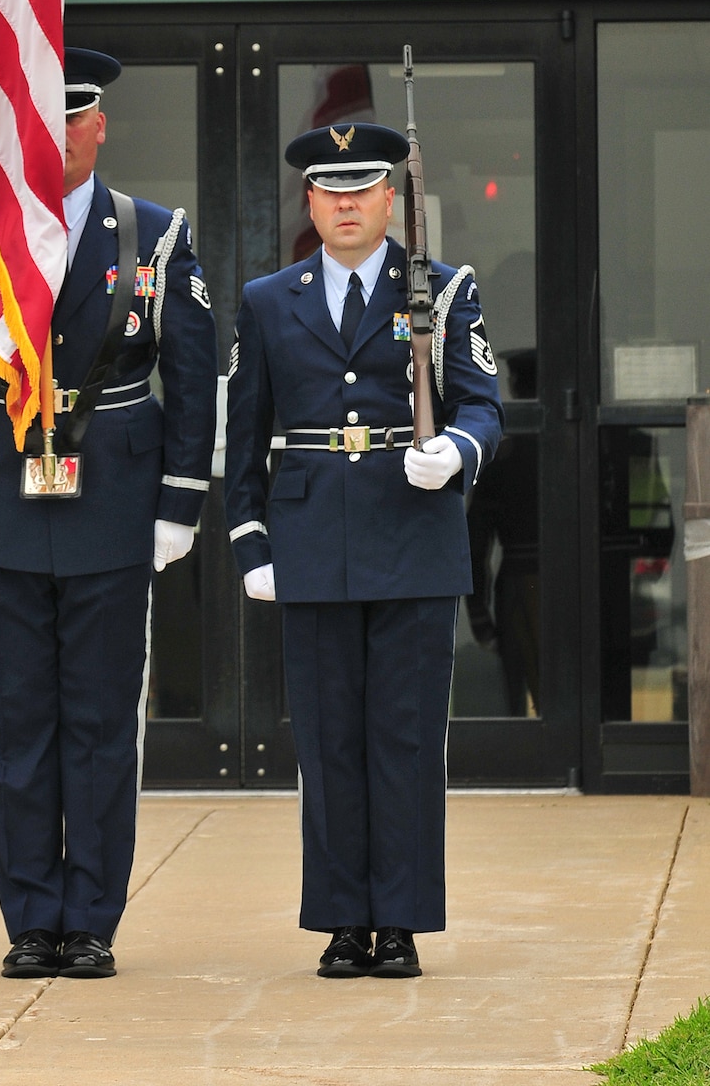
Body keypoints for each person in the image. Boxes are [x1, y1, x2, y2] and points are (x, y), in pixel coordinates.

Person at [0, 47, 218, 981]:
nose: (58, 136)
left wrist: (180, 503)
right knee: (12, 721)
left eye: (73, 119)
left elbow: (194, 376)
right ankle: (29, 918)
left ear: (98, 126)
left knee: (97, 722)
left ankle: (91, 919)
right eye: (39, 123)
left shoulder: (151, 235)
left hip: (114, 498)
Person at [223, 120, 503, 980]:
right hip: (310, 540)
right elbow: (245, 433)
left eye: (362, 188)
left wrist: (454, 450)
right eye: (328, 189)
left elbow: (483, 401)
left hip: (412, 537)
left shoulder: (443, 290)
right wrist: (249, 542)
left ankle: (403, 920)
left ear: (391, 197)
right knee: (328, 741)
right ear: (309, 201)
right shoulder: (270, 298)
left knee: (406, 740)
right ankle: (344, 920)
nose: (345, 202)